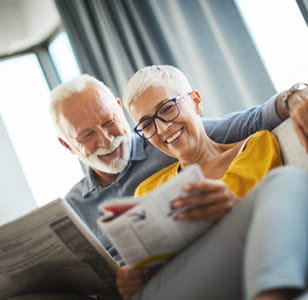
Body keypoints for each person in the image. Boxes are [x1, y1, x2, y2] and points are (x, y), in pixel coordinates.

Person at [10, 73, 306, 300]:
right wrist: (123, 279)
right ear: (67, 144)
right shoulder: (73, 207)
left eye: (109, 122)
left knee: (282, 184)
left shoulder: (170, 139)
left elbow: (252, 120)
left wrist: (297, 95)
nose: (105, 139)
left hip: (188, 272)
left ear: (118, 110)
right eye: (86, 135)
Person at [115, 65, 308, 300]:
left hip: (241, 266)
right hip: (177, 285)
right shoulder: (146, 190)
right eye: (146, 125)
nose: (162, 127)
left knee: (285, 181)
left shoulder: (255, 145)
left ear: (196, 101)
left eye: (167, 109)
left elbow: (269, 223)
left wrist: (233, 207)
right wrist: (133, 278)